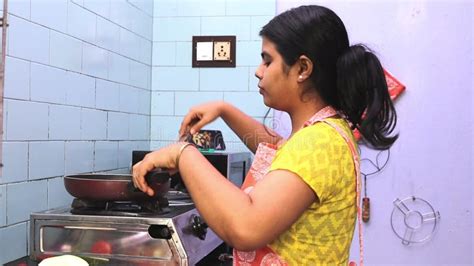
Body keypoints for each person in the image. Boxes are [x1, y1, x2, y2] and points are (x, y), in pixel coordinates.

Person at [133, 5, 397, 265]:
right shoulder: (328, 131)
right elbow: (279, 152)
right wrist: (225, 110)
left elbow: (245, 227)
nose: (259, 71)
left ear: (303, 68)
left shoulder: (319, 143)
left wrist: (181, 154)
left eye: (268, 60)